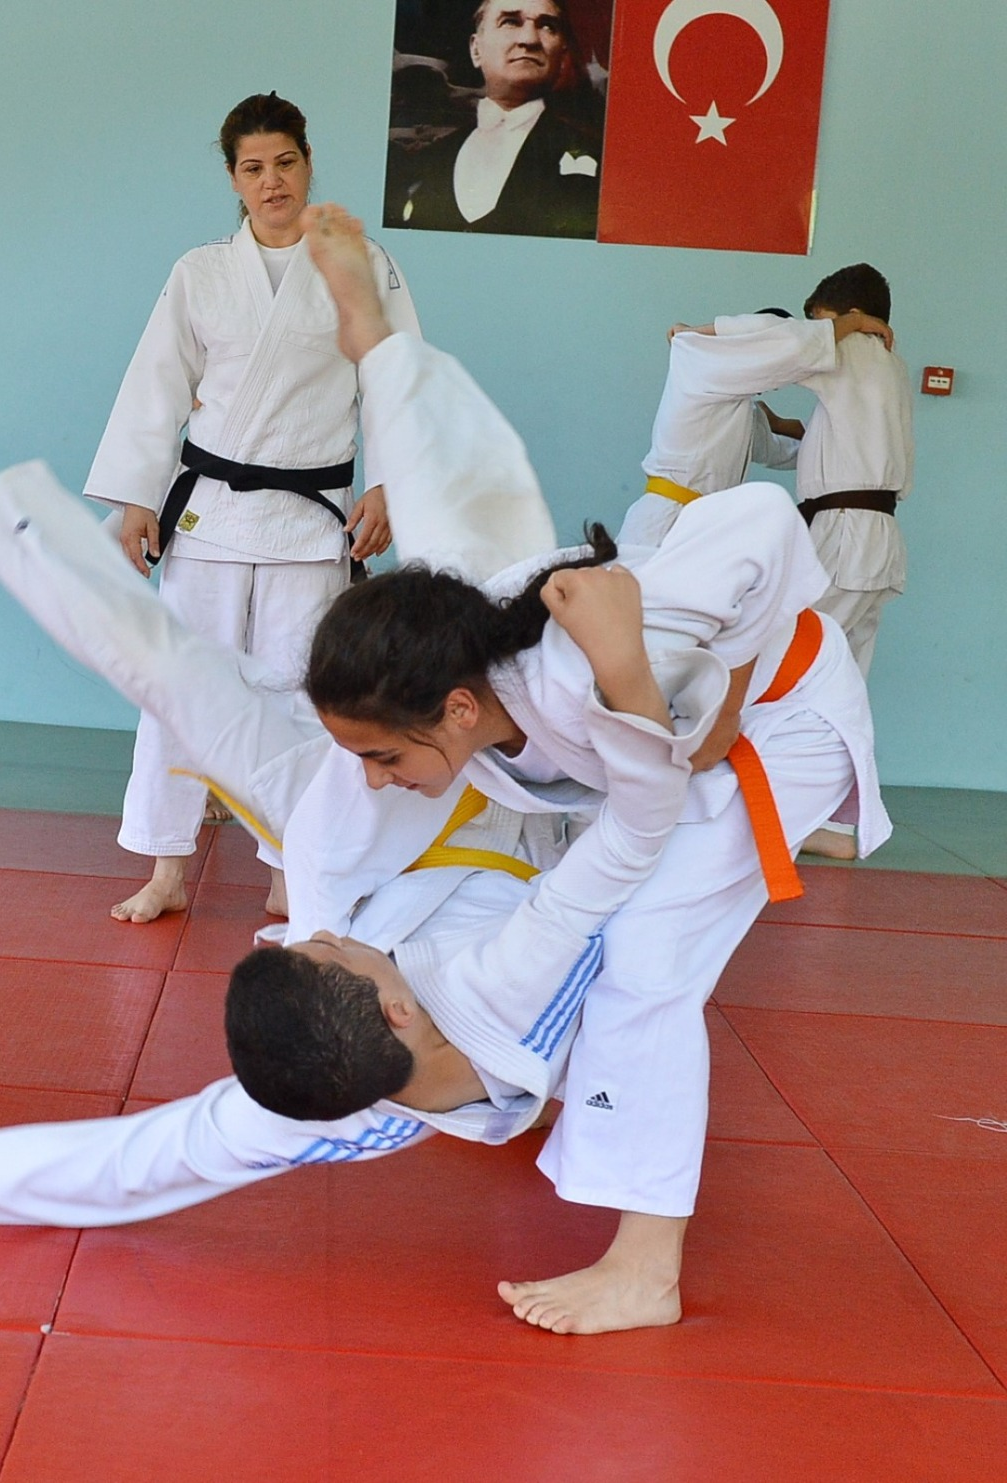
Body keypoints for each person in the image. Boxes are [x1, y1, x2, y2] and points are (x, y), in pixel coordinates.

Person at [0, 343, 735, 1282]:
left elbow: (157, 1151)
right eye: (311, 950)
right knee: (567, 651)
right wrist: (652, 692)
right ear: (396, 1010)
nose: (295, 938)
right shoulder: (498, 1006)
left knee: (169, 670)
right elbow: (637, 827)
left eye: (298, 945)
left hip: (352, 828)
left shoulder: (331, 1015)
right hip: (507, 805)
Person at [274, 204, 885, 1334]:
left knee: (645, 954)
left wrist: (707, 693)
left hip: (775, 720)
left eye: (385, 754)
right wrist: (364, 318)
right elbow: (423, 452)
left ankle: (646, 1268)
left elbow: (762, 515)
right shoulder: (445, 628)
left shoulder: (589, 653)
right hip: (644, 733)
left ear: (459, 711)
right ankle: (571, 1094)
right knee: (538, 889)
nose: (371, 776)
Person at [86, 91, 419, 925]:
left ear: (308, 163)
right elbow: (157, 384)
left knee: (301, 703)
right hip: (209, 517)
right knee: (179, 691)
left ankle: (288, 871)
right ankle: (167, 866)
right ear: (233, 178)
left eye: (285, 163)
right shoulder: (200, 272)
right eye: (253, 168)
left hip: (312, 518)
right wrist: (137, 497)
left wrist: (388, 483)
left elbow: (393, 378)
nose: (272, 181)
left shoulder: (360, 263)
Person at [767, 265, 913, 861]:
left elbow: (776, 342)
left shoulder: (852, 347)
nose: (816, 331)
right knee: (842, 682)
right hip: (874, 537)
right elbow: (833, 440)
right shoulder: (888, 365)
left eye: (822, 320)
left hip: (847, 534)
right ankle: (825, 820)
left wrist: (697, 334)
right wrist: (779, 427)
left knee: (793, 666)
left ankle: (786, 812)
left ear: (850, 316)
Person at [618, 306, 895, 550]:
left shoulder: (744, 412)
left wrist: (842, 443)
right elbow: (795, 347)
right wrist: (855, 322)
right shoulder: (705, 366)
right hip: (663, 521)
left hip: (700, 527)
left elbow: (784, 453)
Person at [384, 1, 603, 239]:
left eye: (547, 26)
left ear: (561, 57)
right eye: (510, 22)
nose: (529, 39)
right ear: (476, 50)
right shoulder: (431, 159)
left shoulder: (595, 155)